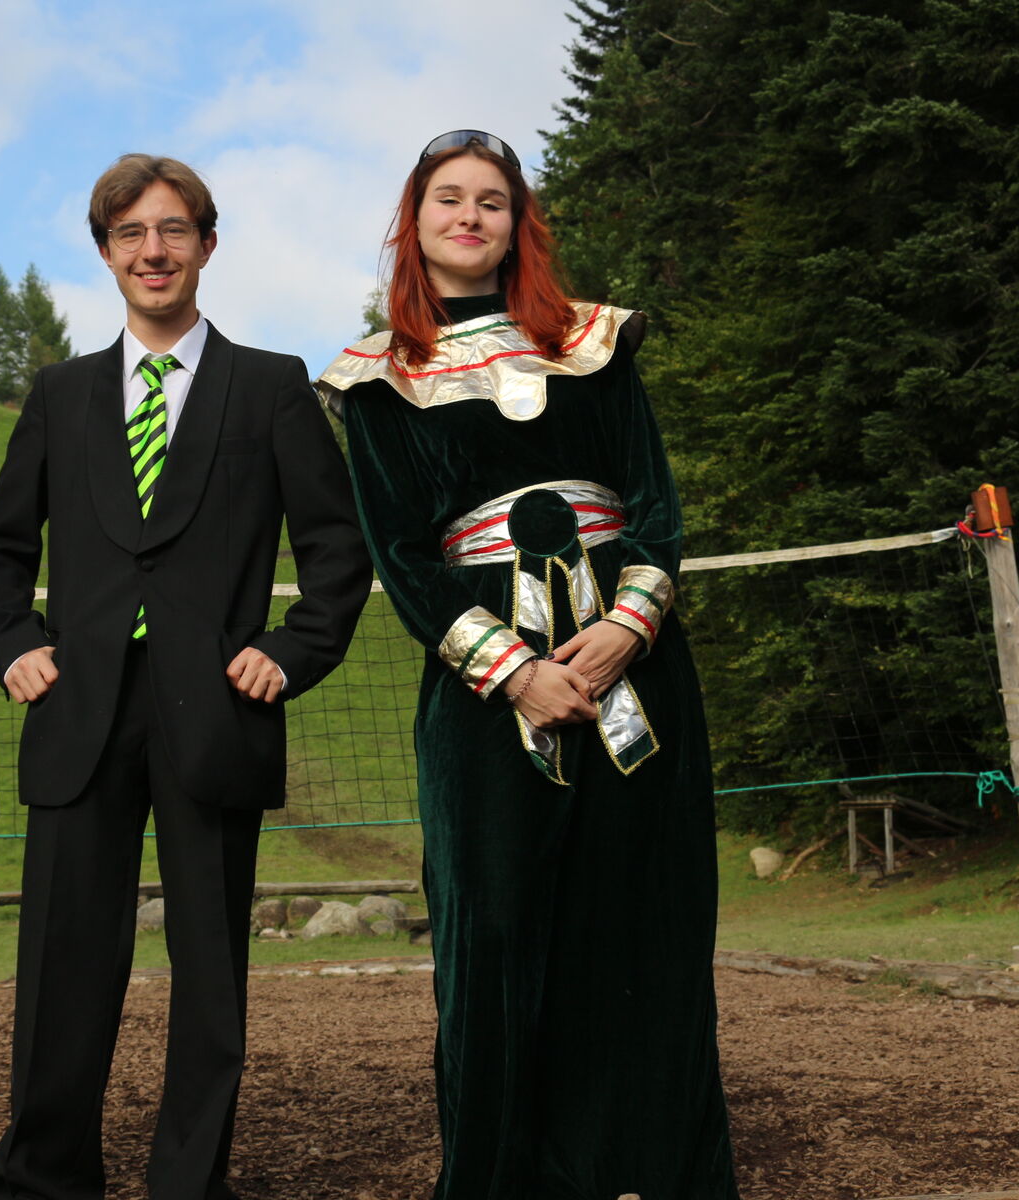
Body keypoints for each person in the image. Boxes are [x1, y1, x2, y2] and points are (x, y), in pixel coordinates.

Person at [315, 131, 742, 1199]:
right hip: (483, 692)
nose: (470, 216)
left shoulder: (593, 343)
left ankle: (650, 1168)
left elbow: (654, 505)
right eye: (448, 198)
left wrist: (627, 628)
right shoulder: (380, 378)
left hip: (636, 668)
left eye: (492, 201)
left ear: (518, 225)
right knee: (496, 925)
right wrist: (514, 670)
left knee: (641, 914)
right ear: (414, 222)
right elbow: (402, 555)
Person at [0, 154, 372, 1200]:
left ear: (207, 243)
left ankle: (190, 1184)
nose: (154, 251)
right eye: (131, 234)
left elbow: (338, 551)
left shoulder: (272, 385)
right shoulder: (60, 394)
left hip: (220, 711)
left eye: (173, 230)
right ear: (107, 253)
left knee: (210, 974)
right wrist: (14, 642)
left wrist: (289, 651)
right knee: (61, 965)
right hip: (79, 711)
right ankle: (44, 1179)